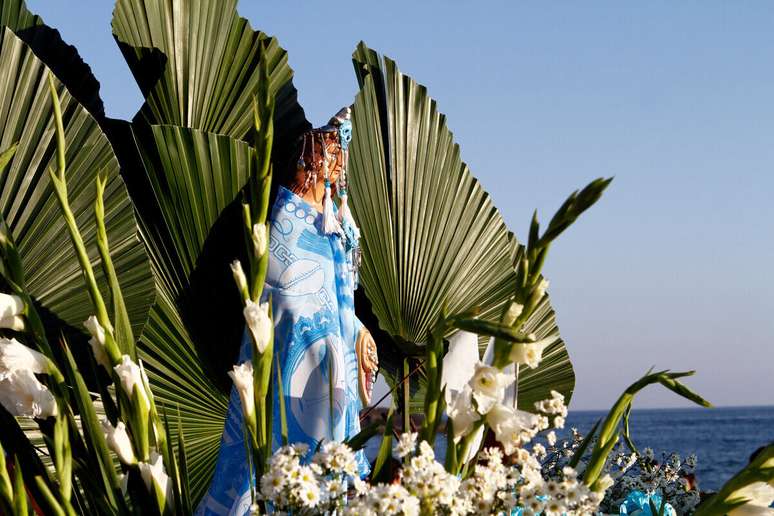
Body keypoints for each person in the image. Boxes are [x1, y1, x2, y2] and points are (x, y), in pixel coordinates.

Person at [196, 108, 379, 516]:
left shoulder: (333, 223)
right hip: (291, 357)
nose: (335, 166)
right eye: (329, 156)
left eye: (339, 158)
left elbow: (339, 297)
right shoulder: (287, 217)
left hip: (328, 365)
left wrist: (355, 331)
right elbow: (284, 294)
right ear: (311, 159)